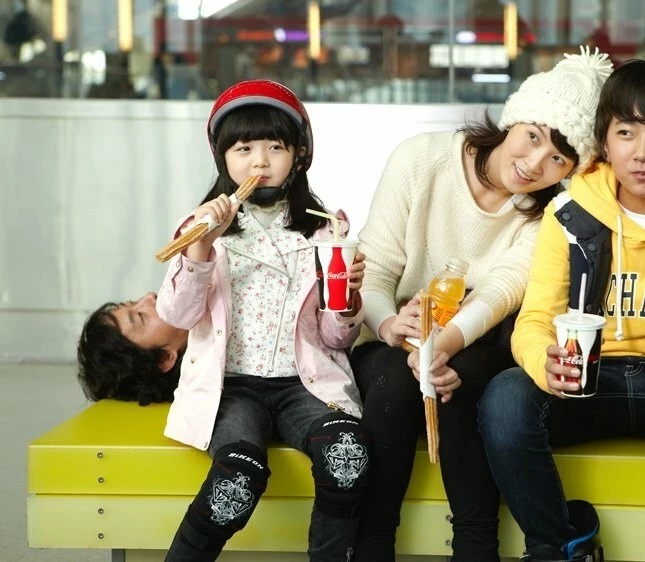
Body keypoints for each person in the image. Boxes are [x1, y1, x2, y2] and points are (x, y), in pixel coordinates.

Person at [77, 79, 372, 562]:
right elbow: (178, 314)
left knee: (349, 456)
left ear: (298, 155)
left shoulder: (325, 230)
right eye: (244, 149)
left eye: (275, 147)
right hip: (232, 387)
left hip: (304, 384)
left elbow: (334, 339)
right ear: (222, 158)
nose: (260, 162)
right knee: (240, 472)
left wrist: (347, 299)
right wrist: (200, 247)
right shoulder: (197, 227)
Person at [349, 46, 613, 562]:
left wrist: (440, 347)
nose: (534, 163)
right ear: (513, 120)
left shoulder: (548, 214)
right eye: (533, 136)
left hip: (472, 340)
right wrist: (391, 326)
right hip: (391, 329)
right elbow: (375, 270)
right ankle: (372, 542)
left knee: (462, 379)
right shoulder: (420, 159)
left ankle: (475, 546)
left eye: (558, 158)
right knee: (394, 381)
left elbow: (498, 295)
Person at [478, 58, 645, 561]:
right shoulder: (571, 213)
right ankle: (559, 545)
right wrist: (543, 363)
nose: (641, 152)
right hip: (587, 381)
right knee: (505, 398)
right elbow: (533, 320)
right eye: (626, 132)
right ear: (605, 142)